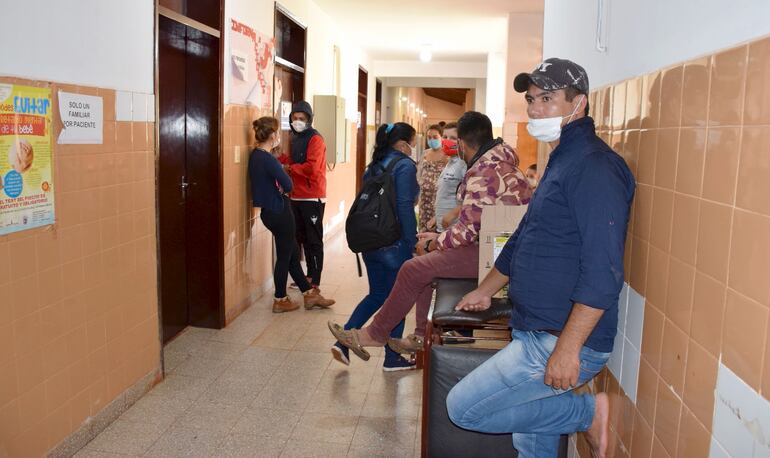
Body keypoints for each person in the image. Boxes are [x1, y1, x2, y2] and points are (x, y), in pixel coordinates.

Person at [445, 58, 635, 458]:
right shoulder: (562, 158)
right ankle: (579, 414)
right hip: (535, 328)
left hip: (559, 340)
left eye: (547, 99)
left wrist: (567, 349)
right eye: (532, 99)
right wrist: (485, 290)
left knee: (464, 408)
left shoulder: (595, 167)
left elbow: (603, 272)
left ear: (578, 102)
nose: (534, 110)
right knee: (531, 442)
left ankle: (587, 413)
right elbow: (524, 237)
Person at [327, 111, 532, 359]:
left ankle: (375, 334)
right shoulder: (502, 162)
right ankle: (421, 335)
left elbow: (467, 232)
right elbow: (476, 222)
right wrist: (435, 238)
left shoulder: (484, 171)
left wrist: (435, 242)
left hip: (496, 257)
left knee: (412, 269)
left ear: (461, 144)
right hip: (499, 248)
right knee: (423, 269)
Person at [331, 122, 420, 371]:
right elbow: (404, 206)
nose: (413, 148)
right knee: (398, 300)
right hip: (394, 244)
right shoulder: (403, 166)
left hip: (370, 242)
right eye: (412, 143)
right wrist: (411, 241)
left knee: (378, 294)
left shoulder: (373, 166)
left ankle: (344, 342)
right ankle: (393, 358)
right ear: (402, 144)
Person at [248, 117, 335, 313]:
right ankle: (280, 298)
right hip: (279, 211)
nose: (279, 136)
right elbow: (288, 184)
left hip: (269, 212)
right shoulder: (268, 159)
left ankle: (309, 294)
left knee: (293, 254)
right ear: (272, 135)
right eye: (277, 133)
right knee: (286, 256)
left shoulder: (255, 156)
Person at [281, 101, 327, 289]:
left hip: (312, 197)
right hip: (296, 196)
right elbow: (294, 161)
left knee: (313, 240)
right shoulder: (295, 137)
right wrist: (280, 158)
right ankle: (307, 276)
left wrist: (289, 168)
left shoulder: (315, 139)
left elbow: (312, 168)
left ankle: (314, 280)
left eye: (302, 118)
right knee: (301, 238)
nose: (297, 121)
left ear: (309, 120)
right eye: (295, 118)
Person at [430, 122, 466, 231]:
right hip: (443, 227)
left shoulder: (463, 163)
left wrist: (453, 213)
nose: (447, 140)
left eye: (453, 138)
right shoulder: (451, 162)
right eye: (445, 137)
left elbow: (472, 197)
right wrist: (436, 217)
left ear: (461, 141)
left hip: (454, 228)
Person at [416, 124, 448, 232]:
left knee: (437, 226)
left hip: (438, 198)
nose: (432, 140)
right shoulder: (425, 153)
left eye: (435, 137)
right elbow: (419, 173)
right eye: (429, 137)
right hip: (424, 199)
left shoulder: (447, 155)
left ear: (441, 137)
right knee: (424, 225)